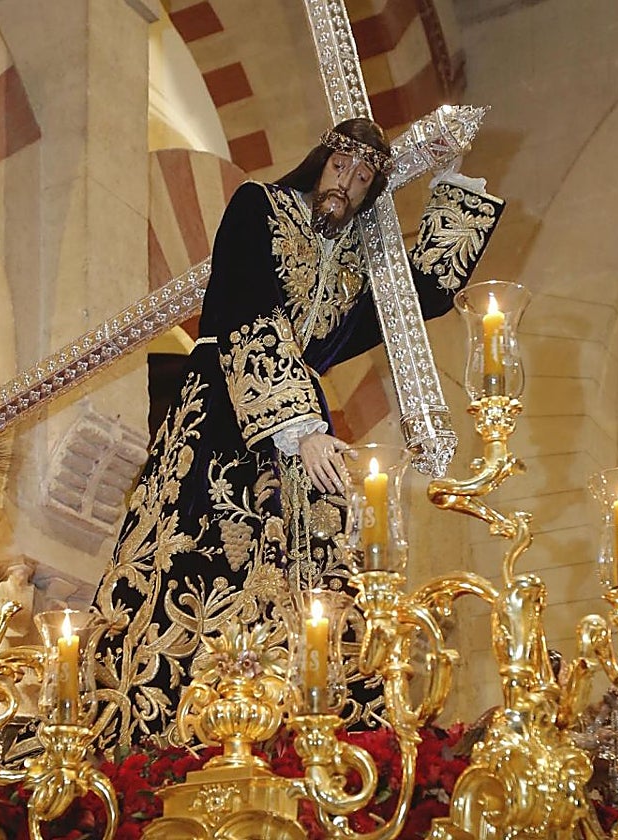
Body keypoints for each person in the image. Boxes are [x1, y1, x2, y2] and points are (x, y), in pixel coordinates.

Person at [89, 118, 503, 748]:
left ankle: (305, 719)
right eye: (343, 165)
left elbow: (415, 296)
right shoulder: (260, 205)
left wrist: (453, 184)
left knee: (317, 559)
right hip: (227, 404)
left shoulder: (353, 265)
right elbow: (247, 306)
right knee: (200, 550)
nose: (349, 181)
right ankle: (169, 725)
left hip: (303, 414)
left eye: (365, 177)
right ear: (321, 160)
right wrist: (297, 427)